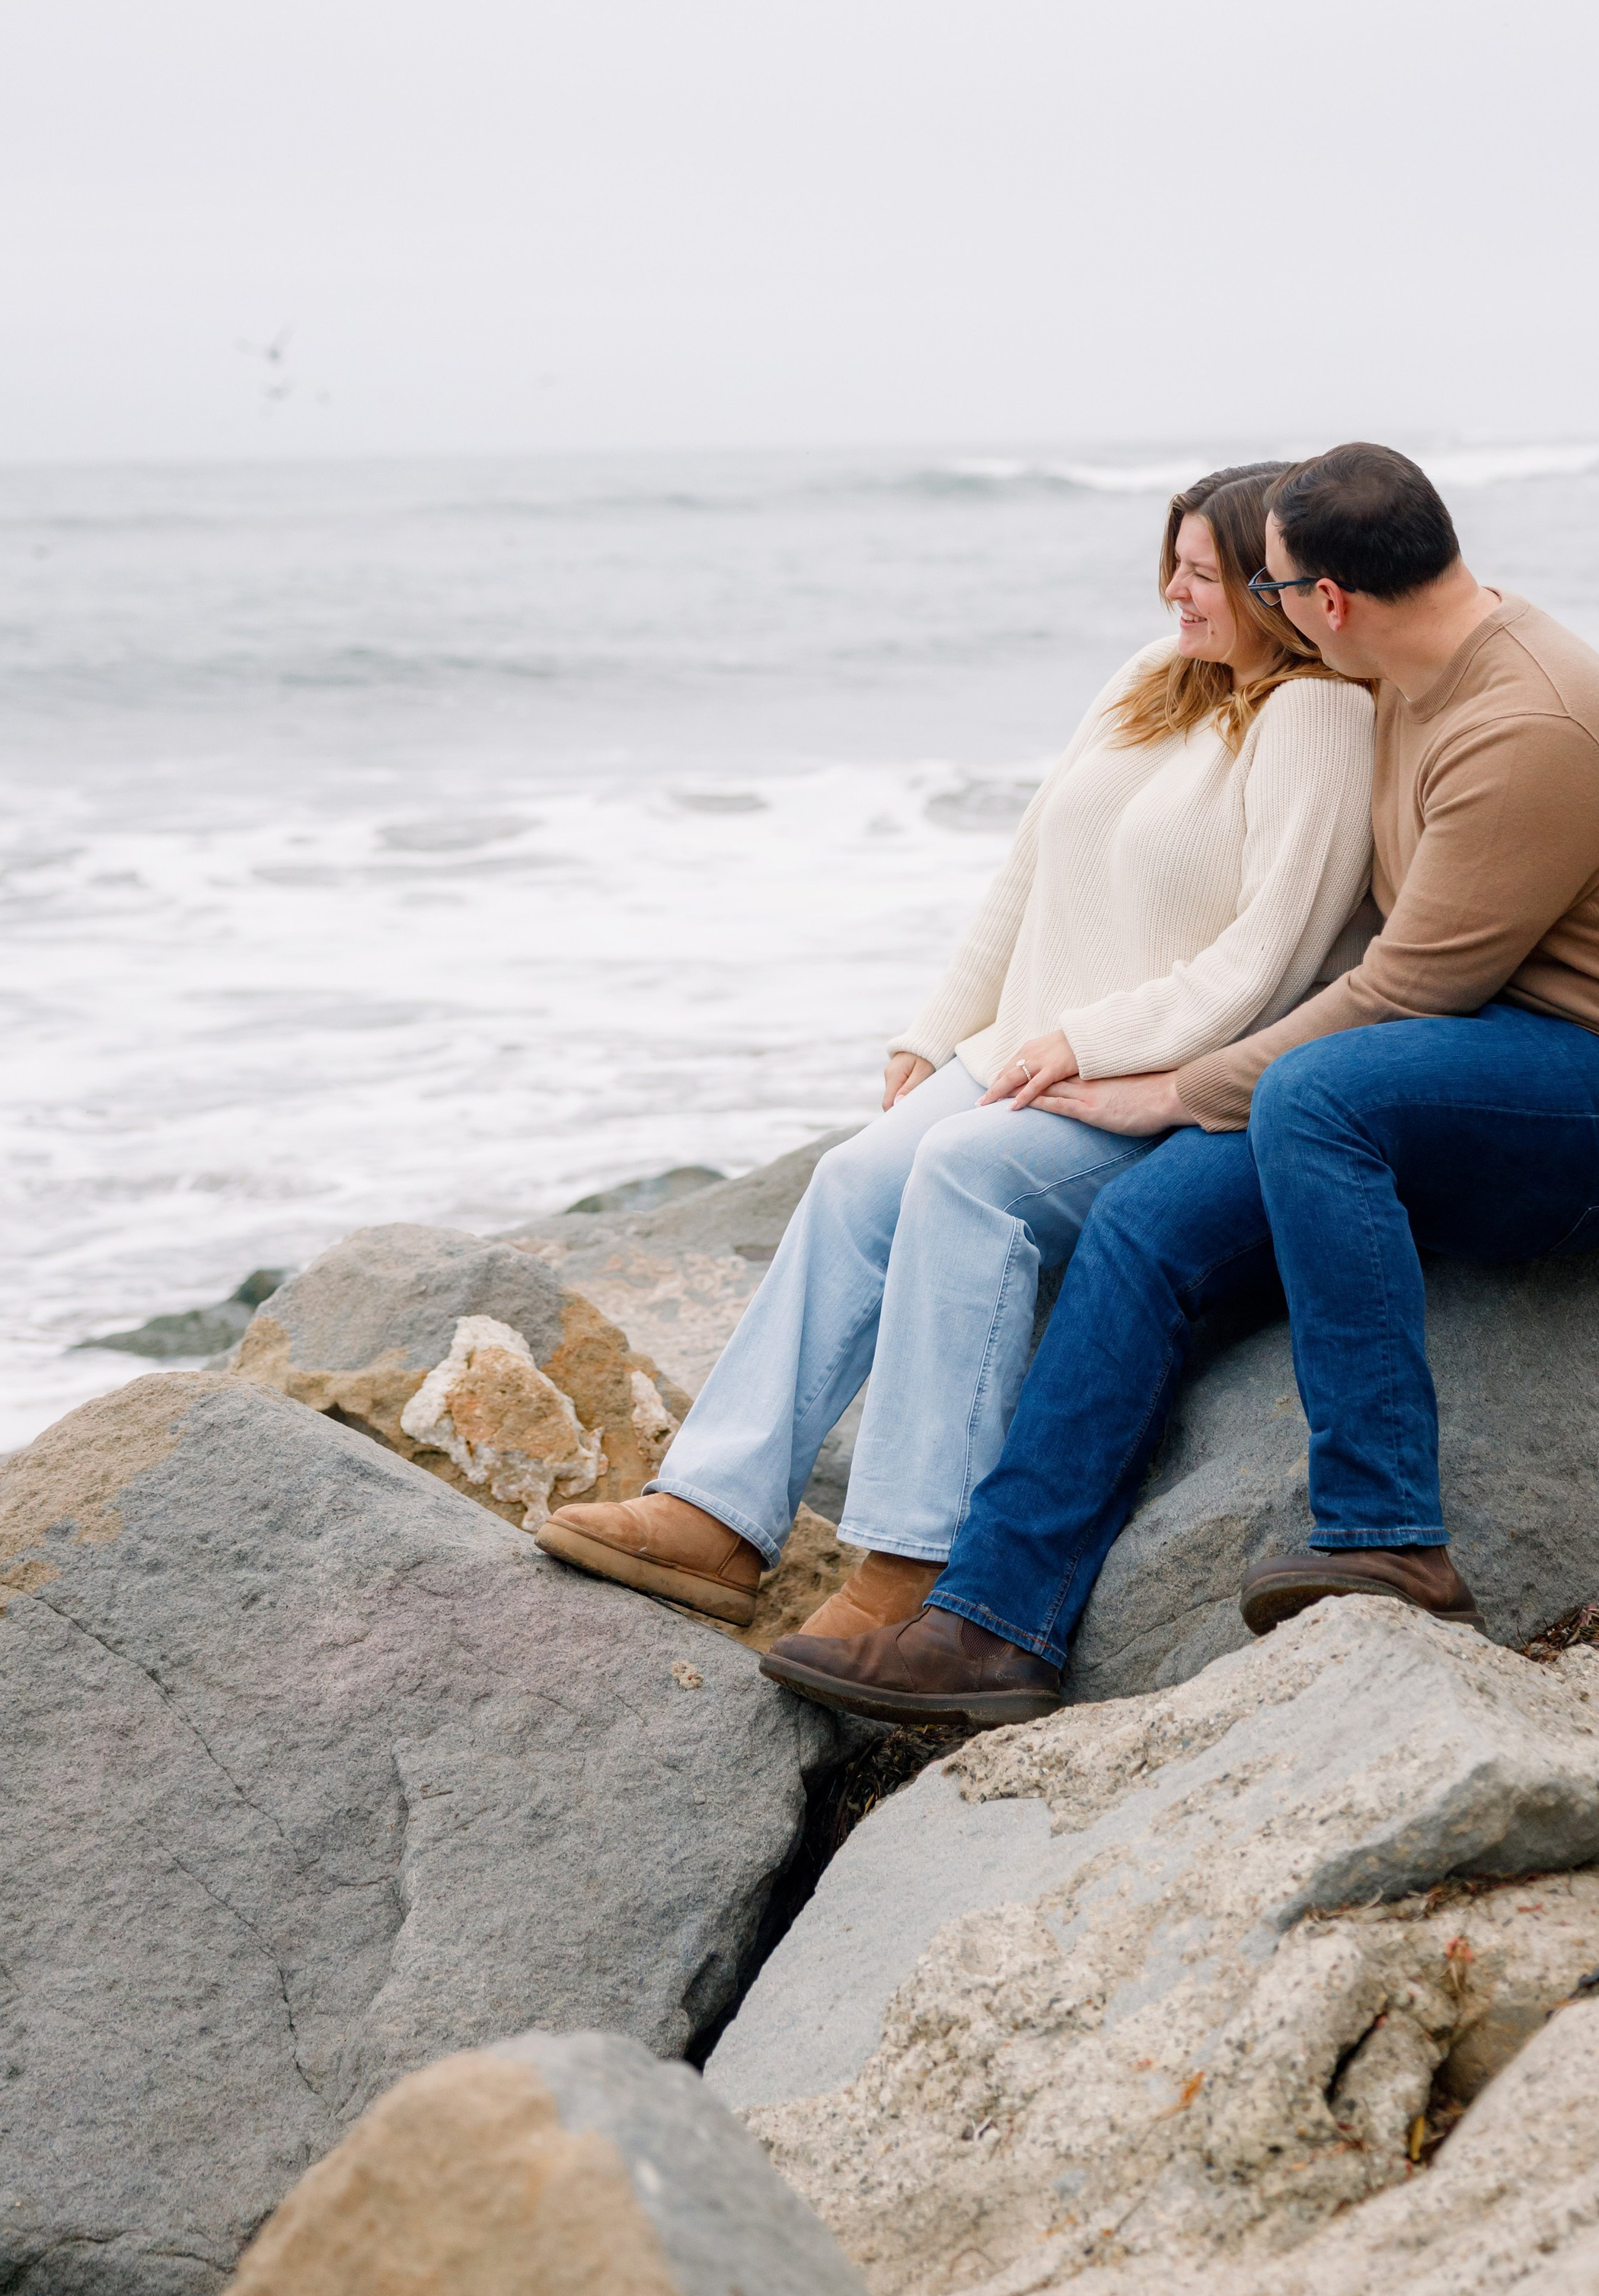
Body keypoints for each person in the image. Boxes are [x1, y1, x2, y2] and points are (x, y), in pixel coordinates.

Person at [759, 441, 1599, 1727]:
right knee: (1146, 1221)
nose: (1264, 615)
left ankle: (1388, 1527)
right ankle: (993, 1627)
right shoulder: (1392, 664)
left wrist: (1174, 1087)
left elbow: (1405, 994)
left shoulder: (1528, 727)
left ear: (1331, 601)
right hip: (1455, 1071)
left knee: (1307, 1099)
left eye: (1274, 591)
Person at [538, 461, 1377, 1634]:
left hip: (1155, 1078)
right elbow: (1029, 871)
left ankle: (912, 1561)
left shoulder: (1321, 717)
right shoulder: (1154, 677)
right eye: (1169, 565)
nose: (1174, 595)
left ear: (1269, 586)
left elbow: (1267, 957)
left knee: (962, 1180)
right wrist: (936, 1030)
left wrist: (1090, 1041)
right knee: (852, 1176)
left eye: (1202, 574)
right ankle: (718, 1513)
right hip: (1030, 1044)